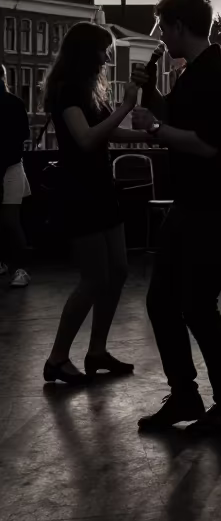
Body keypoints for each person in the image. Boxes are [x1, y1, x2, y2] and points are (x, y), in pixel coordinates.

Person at [130, 0, 221, 435]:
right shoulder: (195, 74)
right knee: (164, 301)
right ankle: (185, 396)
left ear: (180, 25)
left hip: (216, 204)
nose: (162, 35)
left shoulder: (218, 77)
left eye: (164, 26)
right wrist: (151, 95)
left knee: (197, 306)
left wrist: (157, 128)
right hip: (196, 203)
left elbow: (206, 145)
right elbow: (182, 123)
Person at [42, 23, 137, 384]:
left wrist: (153, 132)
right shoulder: (67, 92)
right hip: (80, 193)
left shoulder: (87, 90)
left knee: (119, 270)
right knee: (95, 277)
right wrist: (127, 106)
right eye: (102, 51)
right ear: (86, 52)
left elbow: (109, 130)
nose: (106, 58)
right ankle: (57, 358)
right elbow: (86, 139)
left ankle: (97, 350)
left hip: (100, 188)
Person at [0, 63, 32, 289]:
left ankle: (20, 269)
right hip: (10, 165)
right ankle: (5, 263)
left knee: (11, 221)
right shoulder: (16, 103)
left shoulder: (14, 104)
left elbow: (19, 137)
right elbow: (23, 135)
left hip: (10, 168)